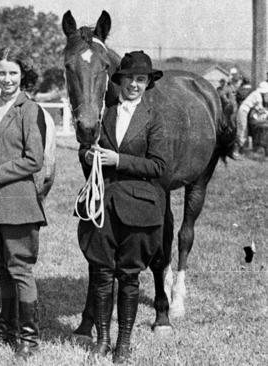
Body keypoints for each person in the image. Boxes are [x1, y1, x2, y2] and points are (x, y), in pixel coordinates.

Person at [77, 51, 168, 363]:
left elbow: (159, 166)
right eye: (129, 78)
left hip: (140, 208)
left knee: (129, 276)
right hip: (104, 204)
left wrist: (120, 161)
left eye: (140, 79)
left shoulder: (155, 117)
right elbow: (87, 149)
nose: (134, 84)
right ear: (120, 81)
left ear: (147, 83)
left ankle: (124, 343)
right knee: (101, 273)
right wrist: (88, 156)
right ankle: (102, 339)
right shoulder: (106, 113)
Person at [0, 46, 47, 359]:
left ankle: (28, 339)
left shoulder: (27, 109)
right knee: (1, 269)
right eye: (2, 73)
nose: (6, 79)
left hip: (19, 201)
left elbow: (34, 160)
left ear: (23, 76)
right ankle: (5, 330)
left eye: (13, 73)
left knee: (20, 270)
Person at [236, 81, 268, 156]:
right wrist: (266, 112)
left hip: (244, 110)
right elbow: (260, 109)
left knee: (244, 130)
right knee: (243, 130)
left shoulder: (256, 94)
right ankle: (237, 151)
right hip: (243, 111)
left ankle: (241, 150)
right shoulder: (258, 96)